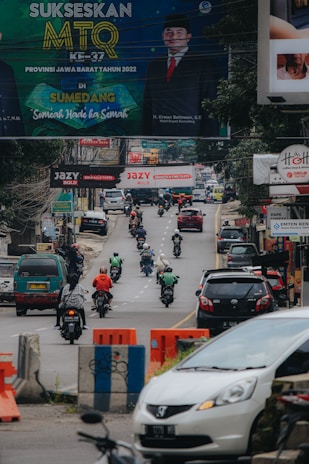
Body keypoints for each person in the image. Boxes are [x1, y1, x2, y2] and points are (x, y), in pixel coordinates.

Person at [142, 13, 219, 137]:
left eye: (179, 32)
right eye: (169, 32)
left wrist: (208, 143)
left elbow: (211, 108)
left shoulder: (203, 64)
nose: (174, 36)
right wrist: (145, 137)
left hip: (192, 137)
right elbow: (147, 106)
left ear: (188, 37)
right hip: (158, 137)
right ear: (163, 36)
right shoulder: (154, 66)